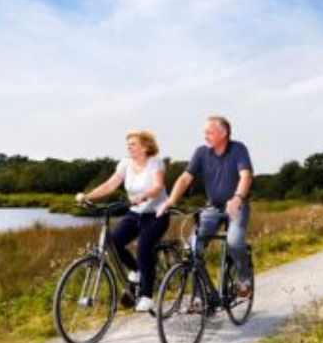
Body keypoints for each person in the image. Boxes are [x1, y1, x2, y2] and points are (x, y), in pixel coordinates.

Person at [158, 115, 253, 295]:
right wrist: (171, 200)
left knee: (234, 241)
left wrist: (237, 198)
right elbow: (185, 178)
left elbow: (246, 175)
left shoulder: (238, 149)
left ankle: (243, 279)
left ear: (223, 133)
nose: (205, 136)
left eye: (209, 132)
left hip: (237, 206)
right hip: (212, 208)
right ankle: (199, 297)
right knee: (193, 248)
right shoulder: (201, 152)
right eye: (205, 132)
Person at [76, 130, 170, 312]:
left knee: (144, 248)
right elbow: (109, 185)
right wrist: (88, 197)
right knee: (113, 242)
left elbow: (158, 186)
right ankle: (137, 270)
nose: (129, 147)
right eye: (128, 144)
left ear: (145, 147)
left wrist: (144, 196)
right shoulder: (125, 164)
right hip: (135, 213)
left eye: (133, 144)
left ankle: (147, 296)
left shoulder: (154, 163)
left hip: (156, 214)